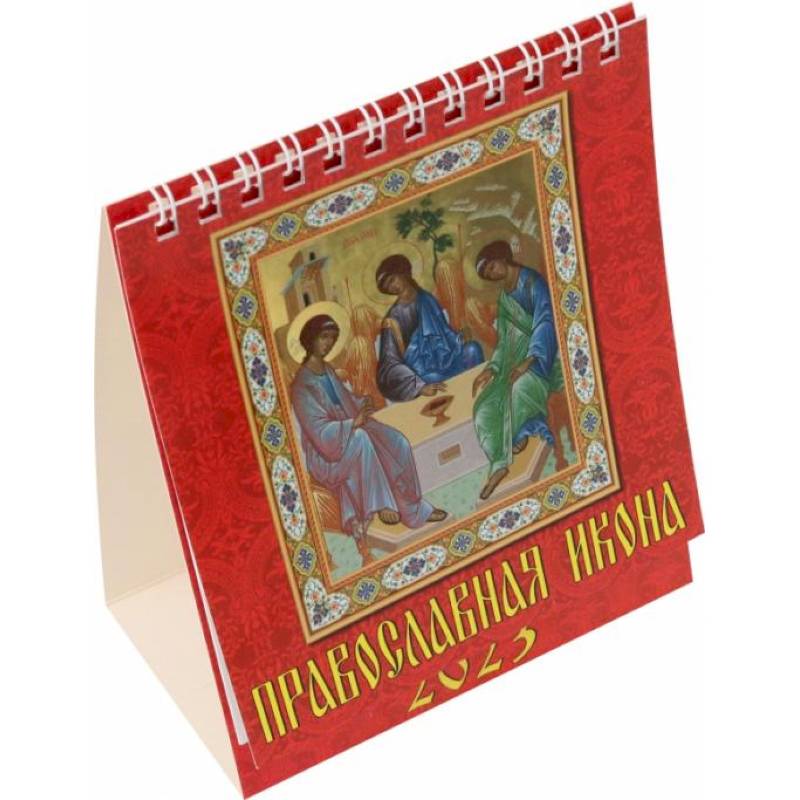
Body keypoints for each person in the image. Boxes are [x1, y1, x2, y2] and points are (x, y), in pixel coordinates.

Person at [290, 314, 447, 540]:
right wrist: (352, 423)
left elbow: (343, 402)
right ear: (310, 338)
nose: (328, 343)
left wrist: (362, 403)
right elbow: (318, 432)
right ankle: (382, 504)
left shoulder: (328, 370)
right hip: (327, 453)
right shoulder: (301, 385)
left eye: (332, 338)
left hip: (348, 431)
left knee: (396, 441)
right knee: (362, 438)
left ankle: (414, 510)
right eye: (324, 337)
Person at [471, 240, 564, 500]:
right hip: (512, 363)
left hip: (543, 358)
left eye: (491, 267)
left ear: (502, 258)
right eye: (486, 273)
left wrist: (530, 360)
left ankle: (519, 432)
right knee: (483, 409)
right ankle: (499, 464)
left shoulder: (532, 282)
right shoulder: (504, 298)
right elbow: (505, 340)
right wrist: (492, 368)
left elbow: (546, 321)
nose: (491, 274)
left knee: (520, 389)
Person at [376, 254, 483, 402]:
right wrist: (417, 386)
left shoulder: (426, 298)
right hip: (421, 370)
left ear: (403, 273)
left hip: (445, 358)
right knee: (435, 379)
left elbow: (444, 332)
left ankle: (479, 396)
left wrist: (459, 339)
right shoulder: (392, 319)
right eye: (388, 286)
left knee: (472, 350)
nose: (392, 287)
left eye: (392, 280)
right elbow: (389, 364)